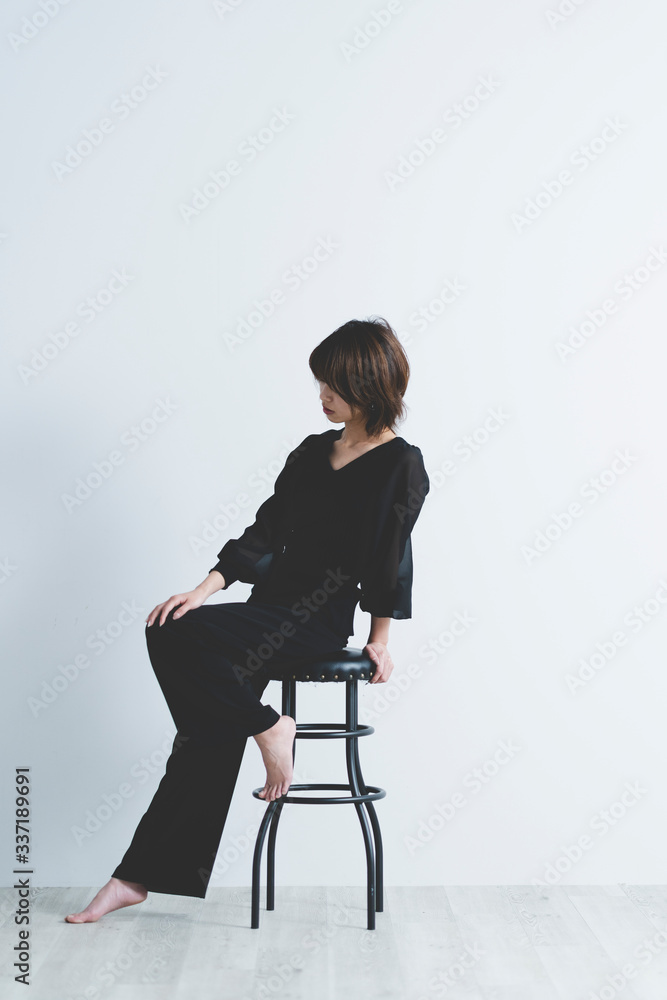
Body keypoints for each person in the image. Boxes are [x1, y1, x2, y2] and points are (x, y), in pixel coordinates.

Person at [65, 316, 430, 923]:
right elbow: (265, 530)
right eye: (320, 383)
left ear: (367, 384)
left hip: (317, 621)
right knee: (176, 643)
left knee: (200, 705)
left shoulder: (401, 464)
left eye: (333, 385)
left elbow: (392, 557)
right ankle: (141, 870)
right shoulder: (311, 451)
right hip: (266, 609)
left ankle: (262, 733)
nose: (322, 395)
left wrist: (380, 637)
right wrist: (204, 589)